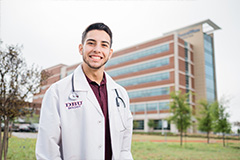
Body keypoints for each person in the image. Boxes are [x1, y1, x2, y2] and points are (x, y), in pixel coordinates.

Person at [35, 23, 133, 160]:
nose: (97, 49)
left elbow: (124, 148)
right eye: (91, 43)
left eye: (104, 45)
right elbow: (47, 152)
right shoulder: (57, 92)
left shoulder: (120, 94)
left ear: (110, 53)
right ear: (81, 49)